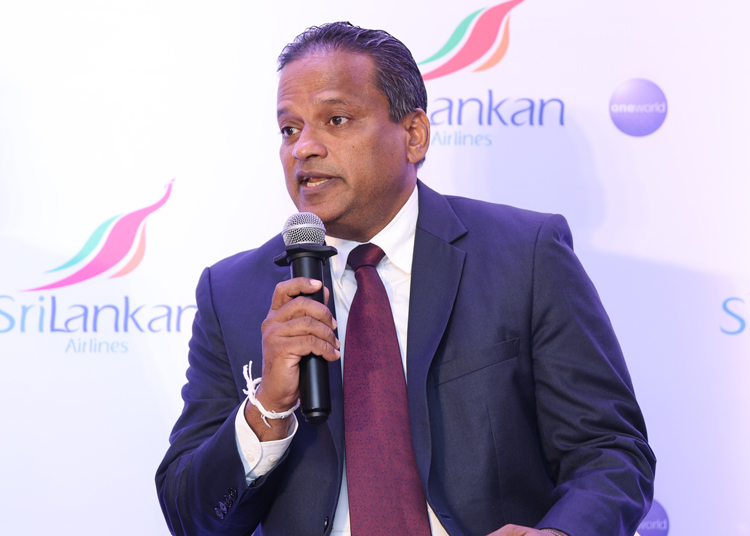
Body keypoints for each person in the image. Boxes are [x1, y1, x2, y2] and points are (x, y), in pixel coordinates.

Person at [156, 22, 655, 536]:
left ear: (414, 135)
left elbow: (610, 451)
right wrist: (267, 409)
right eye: (289, 129)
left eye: (336, 119)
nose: (304, 147)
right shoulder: (233, 294)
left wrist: (558, 534)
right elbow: (191, 516)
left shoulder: (524, 255)